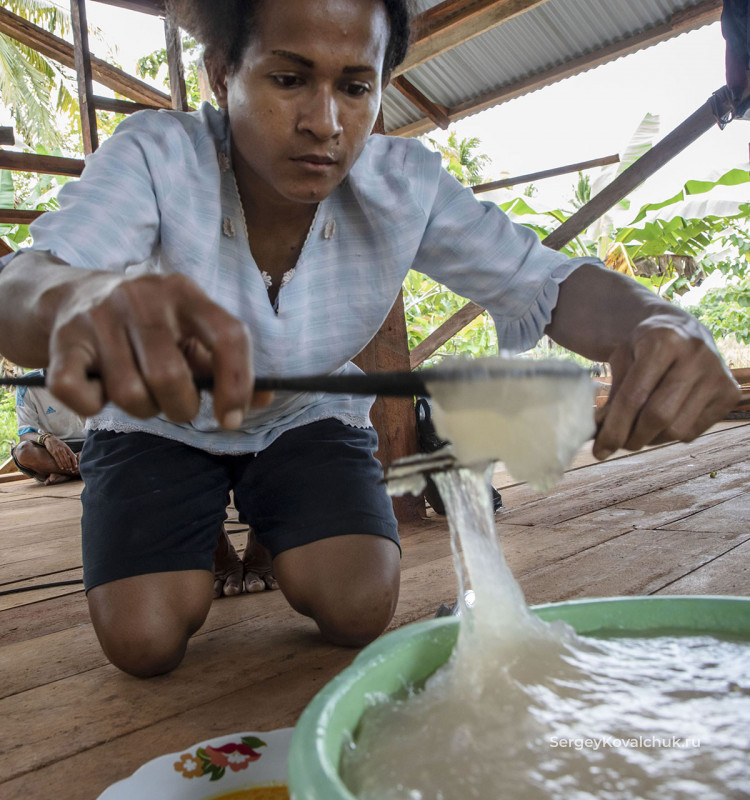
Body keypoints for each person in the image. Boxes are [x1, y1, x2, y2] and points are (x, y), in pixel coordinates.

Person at [0, 0, 739, 678]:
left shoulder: (406, 184)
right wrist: (81, 298)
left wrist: (656, 319)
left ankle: (270, 513)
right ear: (223, 72)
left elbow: (543, 280)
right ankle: (210, 530)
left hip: (305, 417)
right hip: (159, 425)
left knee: (357, 609)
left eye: (356, 87)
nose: (325, 122)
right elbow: (21, 286)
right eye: (290, 78)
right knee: (145, 642)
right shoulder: (155, 155)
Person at [11, 369, 87, 485]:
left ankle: (64, 473)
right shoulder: (27, 383)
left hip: (90, 446)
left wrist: (89, 449)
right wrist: (46, 438)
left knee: (114, 446)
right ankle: (84, 470)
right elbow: (25, 434)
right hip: (52, 453)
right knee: (23, 452)